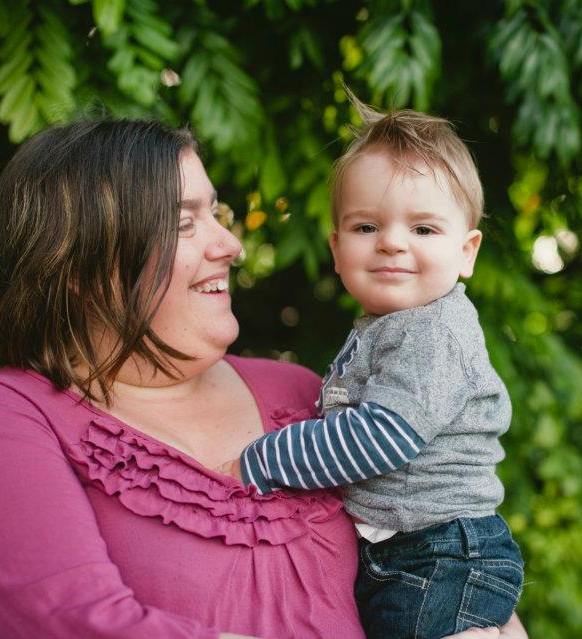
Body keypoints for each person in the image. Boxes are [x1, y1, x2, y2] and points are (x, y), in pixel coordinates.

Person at [0, 118, 527, 639]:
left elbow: (439, 561)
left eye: (217, 213)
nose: (231, 244)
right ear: (79, 266)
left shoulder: (298, 392)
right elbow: (64, 622)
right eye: (184, 222)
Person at [216, 99, 523, 638]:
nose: (392, 242)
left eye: (423, 229)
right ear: (337, 249)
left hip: (442, 553)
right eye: (366, 226)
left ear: (467, 251)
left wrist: (265, 458)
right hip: (409, 553)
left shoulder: (434, 332)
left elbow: (384, 435)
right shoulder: (389, 328)